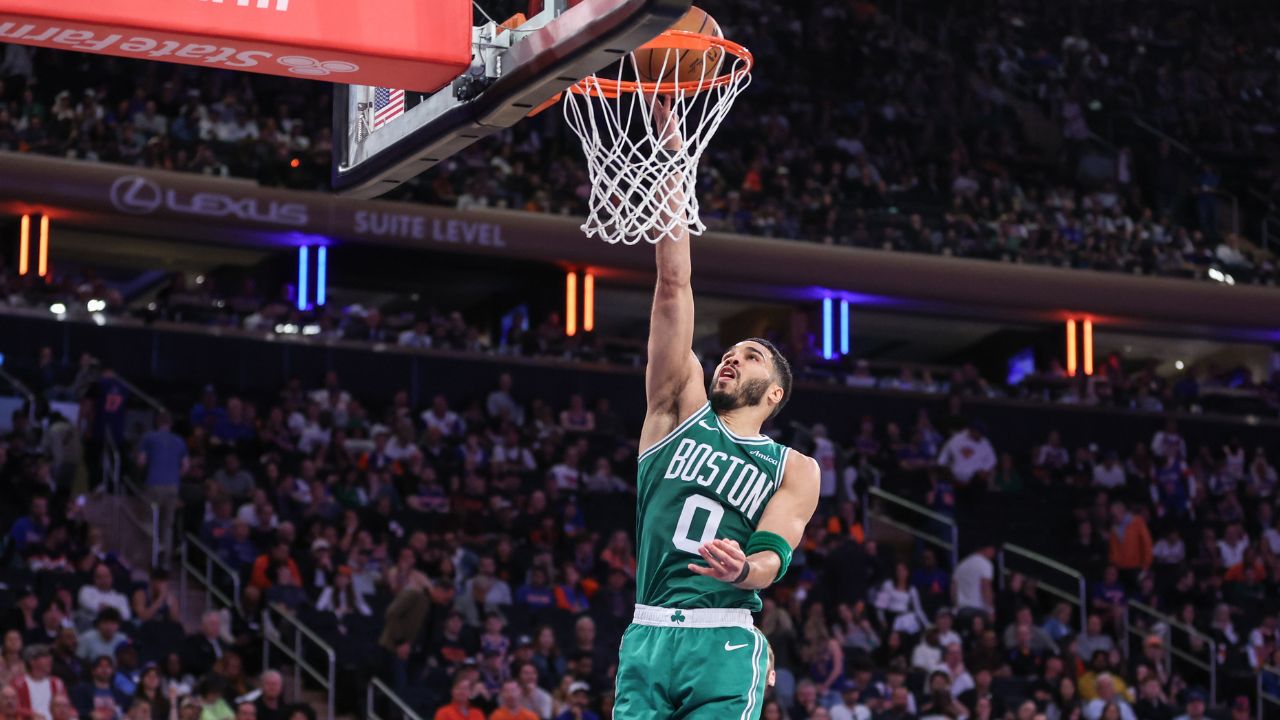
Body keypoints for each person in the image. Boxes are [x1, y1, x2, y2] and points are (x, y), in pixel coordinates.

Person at [612, 99, 820, 720]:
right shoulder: (677, 406)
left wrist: (742, 569)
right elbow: (673, 286)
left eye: (751, 357)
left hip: (723, 633)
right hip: (647, 633)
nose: (732, 358)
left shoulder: (795, 468)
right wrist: (672, 159)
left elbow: (773, 558)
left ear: (775, 393)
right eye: (729, 352)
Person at [136, 411, 188, 568]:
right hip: (173, 486)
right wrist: (174, 476)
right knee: (168, 524)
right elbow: (185, 466)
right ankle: (165, 561)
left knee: (149, 520)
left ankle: (153, 553)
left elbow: (141, 461)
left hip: (154, 484)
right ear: (170, 423)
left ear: (157, 422)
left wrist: (143, 473)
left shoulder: (149, 437)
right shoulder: (179, 441)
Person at [11, 644, 68, 720]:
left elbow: (68, 706)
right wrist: (31, 714)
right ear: (32, 661)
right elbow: (11, 707)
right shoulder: (18, 684)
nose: (50, 660)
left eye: (50, 656)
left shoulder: (57, 683)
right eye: (45, 657)